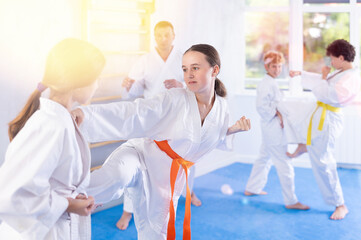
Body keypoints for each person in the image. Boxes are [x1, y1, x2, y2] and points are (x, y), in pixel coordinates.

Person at [71, 44, 250, 239]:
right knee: (118, 174)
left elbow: (210, 136)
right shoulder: (175, 98)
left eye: (195, 68)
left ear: (214, 70)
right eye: (185, 69)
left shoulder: (222, 108)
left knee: (156, 232)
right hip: (140, 155)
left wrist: (233, 129)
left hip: (167, 180)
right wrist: (87, 115)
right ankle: (63, 200)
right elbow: (135, 112)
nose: (188, 74)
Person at [0, 38, 105, 239]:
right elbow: (10, 194)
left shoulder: (60, 119)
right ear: (78, 84)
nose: (98, 85)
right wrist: (68, 204)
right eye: (96, 78)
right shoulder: (52, 125)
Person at [118, 20, 201, 231]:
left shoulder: (185, 57)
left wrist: (181, 85)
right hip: (150, 116)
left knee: (185, 154)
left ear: (174, 35)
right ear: (154, 37)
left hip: (177, 114)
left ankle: (189, 192)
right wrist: (129, 86)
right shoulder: (144, 60)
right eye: (159, 35)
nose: (163, 39)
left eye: (167, 35)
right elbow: (133, 92)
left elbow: (199, 85)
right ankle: (128, 211)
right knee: (138, 160)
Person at [289, 39, 361, 220]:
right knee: (294, 109)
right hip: (322, 115)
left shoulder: (351, 77)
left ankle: (340, 204)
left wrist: (321, 77)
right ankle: (303, 143)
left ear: (342, 57)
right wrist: (301, 74)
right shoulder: (342, 72)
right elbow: (325, 82)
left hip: (329, 120)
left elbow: (330, 93)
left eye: (332, 59)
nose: (330, 63)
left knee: (324, 163)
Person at [244, 51, 310, 210]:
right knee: (284, 163)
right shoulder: (266, 84)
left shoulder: (271, 82)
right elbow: (261, 107)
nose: (277, 69)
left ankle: (252, 188)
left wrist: (278, 111)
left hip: (270, 129)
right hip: (273, 129)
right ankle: (291, 200)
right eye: (274, 66)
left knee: (263, 158)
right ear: (266, 66)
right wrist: (277, 113)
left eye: (280, 66)